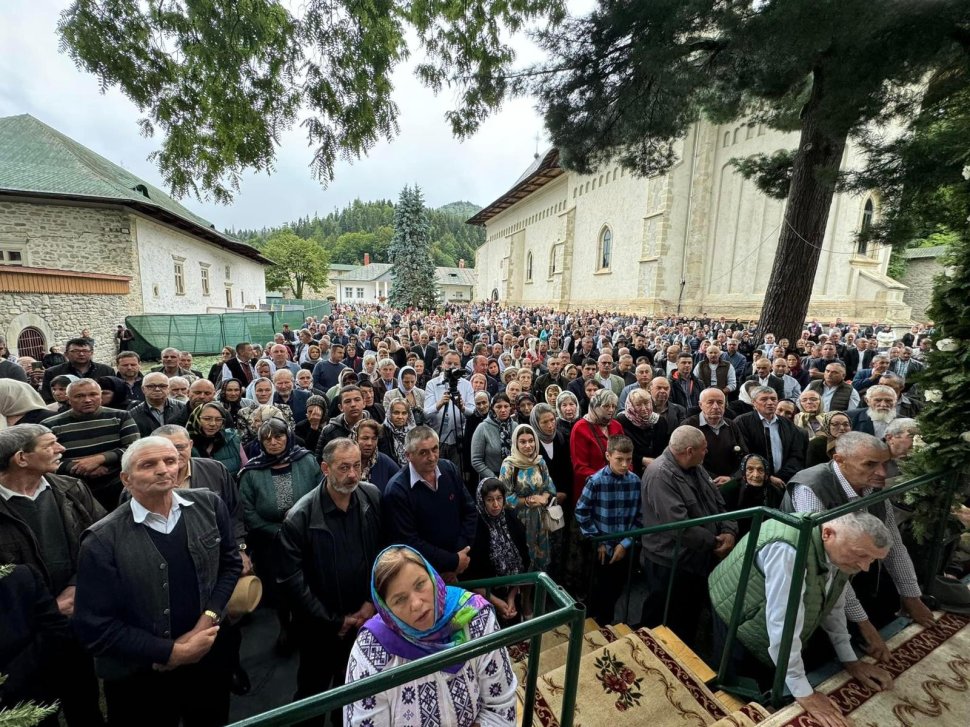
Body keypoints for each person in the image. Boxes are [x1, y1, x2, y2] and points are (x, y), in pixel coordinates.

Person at [73, 437, 242, 727]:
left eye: (170, 461)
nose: (163, 470)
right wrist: (171, 652)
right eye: (148, 465)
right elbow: (95, 627)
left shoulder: (210, 505)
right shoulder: (101, 540)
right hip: (141, 677)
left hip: (208, 658)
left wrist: (209, 618)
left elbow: (230, 565)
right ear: (126, 479)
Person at [709, 512, 893, 727]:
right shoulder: (788, 550)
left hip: (769, 614)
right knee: (739, 691)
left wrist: (849, 659)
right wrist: (804, 693)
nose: (865, 567)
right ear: (828, 534)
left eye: (872, 559)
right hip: (739, 614)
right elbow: (783, 623)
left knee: (775, 673)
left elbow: (833, 602)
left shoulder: (842, 551)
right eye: (861, 555)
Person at [783, 432, 934, 659]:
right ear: (839, 460)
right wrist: (863, 623)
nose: (883, 473)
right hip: (807, 583)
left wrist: (911, 595)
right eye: (871, 464)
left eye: (885, 463)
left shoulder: (872, 483)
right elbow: (830, 566)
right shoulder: (811, 487)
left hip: (850, 575)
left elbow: (892, 543)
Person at [0, 425, 107, 726]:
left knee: (84, 704)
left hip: (74, 622)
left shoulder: (71, 489)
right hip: (22, 638)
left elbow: (100, 542)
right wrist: (48, 611)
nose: (61, 449)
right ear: (21, 458)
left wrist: (76, 587)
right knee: (34, 711)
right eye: (50, 444)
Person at [344, 545, 517, 726]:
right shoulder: (370, 649)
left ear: (433, 578)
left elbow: (501, 707)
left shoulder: (474, 616)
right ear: (386, 609)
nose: (417, 604)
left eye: (420, 584)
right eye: (400, 599)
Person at [276, 437, 383, 715]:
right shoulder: (299, 517)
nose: (352, 475)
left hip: (365, 619)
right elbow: (291, 581)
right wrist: (333, 621)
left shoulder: (371, 497)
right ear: (325, 468)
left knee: (354, 692)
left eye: (357, 466)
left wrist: (371, 603)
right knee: (312, 694)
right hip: (320, 630)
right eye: (344, 467)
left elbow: (382, 555)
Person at [640, 425, 738, 646]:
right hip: (670, 562)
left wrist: (729, 530)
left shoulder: (696, 467)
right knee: (663, 622)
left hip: (696, 558)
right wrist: (715, 543)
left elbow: (718, 502)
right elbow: (679, 526)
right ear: (690, 450)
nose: (707, 452)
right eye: (704, 449)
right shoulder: (660, 475)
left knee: (687, 620)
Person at [239, 417, 319, 652]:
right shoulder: (251, 471)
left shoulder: (306, 460)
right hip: (271, 542)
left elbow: (319, 493)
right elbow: (247, 511)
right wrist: (276, 530)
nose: (273, 442)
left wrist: (300, 526)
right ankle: (285, 627)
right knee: (280, 589)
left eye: (279, 436)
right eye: (267, 438)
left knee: (309, 584)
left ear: (288, 436)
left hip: (306, 536)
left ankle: (308, 626)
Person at [383, 426, 478, 581]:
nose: (432, 457)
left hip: (461, 564)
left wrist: (458, 558)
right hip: (425, 574)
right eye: (423, 452)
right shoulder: (397, 490)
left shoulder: (449, 469)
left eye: (435, 449)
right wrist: (451, 561)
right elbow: (408, 541)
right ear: (408, 455)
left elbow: (470, 511)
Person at [575, 434, 642, 624]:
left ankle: (608, 625)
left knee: (617, 589)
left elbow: (640, 516)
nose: (624, 465)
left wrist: (625, 543)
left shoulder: (635, 481)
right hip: (600, 549)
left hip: (624, 548)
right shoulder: (596, 481)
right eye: (619, 459)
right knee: (597, 590)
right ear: (608, 456)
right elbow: (581, 511)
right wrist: (599, 541)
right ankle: (593, 624)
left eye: (628, 460)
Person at [45, 379, 140, 511]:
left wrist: (100, 459)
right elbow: (46, 459)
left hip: (118, 485)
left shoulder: (120, 417)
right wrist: (80, 467)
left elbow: (134, 449)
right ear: (68, 399)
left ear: (100, 396)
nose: (87, 400)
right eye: (79, 396)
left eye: (93, 394)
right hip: (73, 491)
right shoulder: (50, 425)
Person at [499, 424, 556, 616]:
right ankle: (523, 604)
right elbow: (503, 498)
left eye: (531, 441)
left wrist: (545, 498)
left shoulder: (540, 462)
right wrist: (528, 500)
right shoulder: (509, 465)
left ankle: (533, 599)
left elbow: (550, 486)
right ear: (516, 443)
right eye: (522, 442)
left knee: (539, 560)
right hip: (520, 521)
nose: (528, 445)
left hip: (540, 520)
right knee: (523, 561)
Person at [465, 477, 529, 621]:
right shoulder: (474, 528)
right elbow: (470, 577)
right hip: (484, 599)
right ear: (481, 501)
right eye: (489, 500)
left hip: (511, 594)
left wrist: (511, 597)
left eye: (499, 498)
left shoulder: (512, 519)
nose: (496, 505)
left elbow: (523, 561)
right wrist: (497, 602)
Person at [733, 386, 807, 508]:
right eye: (764, 399)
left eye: (773, 399)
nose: (770, 403)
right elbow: (744, 454)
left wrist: (780, 477)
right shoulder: (742, 422)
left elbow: (796, 454)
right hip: (753, 484)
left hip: (782, 483)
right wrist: (767, 476)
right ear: (754, 403)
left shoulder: (787, 424)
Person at [424, 350, 476, 471]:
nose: (452, 367)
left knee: (455, 473)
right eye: (448, 363)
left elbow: (472, 412)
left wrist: (463, 408)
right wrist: (439, 404)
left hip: (458, 440)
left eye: (456, 364)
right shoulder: (432, 384)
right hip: (437, 439)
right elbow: (426, 414)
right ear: (442, 364)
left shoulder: (466, 385)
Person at [40, 338, 115, 403]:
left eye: (85, 351)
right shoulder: (52, 372)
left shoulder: (106, 370)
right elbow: (48, 398)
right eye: (75, 351)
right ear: (66, 354)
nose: (81, 354)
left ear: (91, 353)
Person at [615, 389, 668, 477]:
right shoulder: (621, 421)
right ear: (631, 406)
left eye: (646, 403)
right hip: (631, 469)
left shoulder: (660, 421)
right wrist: (642, 460)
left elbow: (664, 446)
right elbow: (619, 449)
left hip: (657, 469)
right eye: (638, 405)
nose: (644, 408)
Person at [717, 453, 771, 528]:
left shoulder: (773, 492)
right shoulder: (728, 491)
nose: (755, 475)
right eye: (750, 469)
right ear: (743, 473)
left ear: (766, 474)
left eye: (760, 470)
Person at [470, 392, 514, 481]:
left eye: (506, 406)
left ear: (510, 407)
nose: (503, 410)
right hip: (491, 479)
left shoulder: (515, 426)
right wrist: (494, 478)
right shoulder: (483, 428)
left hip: (514, 477)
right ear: (492, 408)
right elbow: (476, 460)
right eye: (498, 407)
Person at [351, 419, 400, 494]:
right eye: (365, 438)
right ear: (355, 438)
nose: (369, 443)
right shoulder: (345, 461)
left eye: (374, 439)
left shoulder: (384, 462)